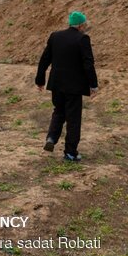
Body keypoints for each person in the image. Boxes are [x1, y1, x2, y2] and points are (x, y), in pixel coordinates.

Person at [35, 11, 98, 162]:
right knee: (73, 119)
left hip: (56, 84)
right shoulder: (83, 39)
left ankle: (51, 137)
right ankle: (70, 152)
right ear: (81, 25)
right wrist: (93, 85)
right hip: (74, 87)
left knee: (58, 111)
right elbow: (88, 64)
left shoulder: (55, 36)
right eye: (85, 24)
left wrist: (40, 80)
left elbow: (44, 59)